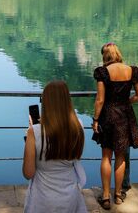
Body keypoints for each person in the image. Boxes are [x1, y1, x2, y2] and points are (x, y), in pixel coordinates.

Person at [92, 42, 138, 210]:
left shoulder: (103, 72)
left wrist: (95, 119)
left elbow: (100, 100)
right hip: (125, 116)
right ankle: (118, 195)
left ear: (105, 56)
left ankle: (106, 197)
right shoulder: (132, 70)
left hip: (108, 115)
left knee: (106, 156)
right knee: (121, 157)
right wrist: (126, 102)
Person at [22, 80, 87, 213]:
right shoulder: (78, 125)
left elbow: (28, 173)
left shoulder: (34, 131)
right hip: (70, 196)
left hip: (42, 199)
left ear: (46, 102)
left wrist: (32, 130)